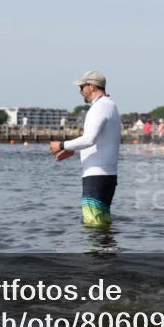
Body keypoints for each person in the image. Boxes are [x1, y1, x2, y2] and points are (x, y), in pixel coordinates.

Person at [49, 71, 121, 226]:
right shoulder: (109, 105)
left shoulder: (100, 107)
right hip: (105, 175)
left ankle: (98, 251)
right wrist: (74, 150)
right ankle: (107, 249)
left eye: (82, 87)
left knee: (94, 226)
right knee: (102, 224)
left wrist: (62, 145)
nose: (80, 91)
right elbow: (101, 140)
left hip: (96, 176)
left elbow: (89, 139)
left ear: (92, 87)